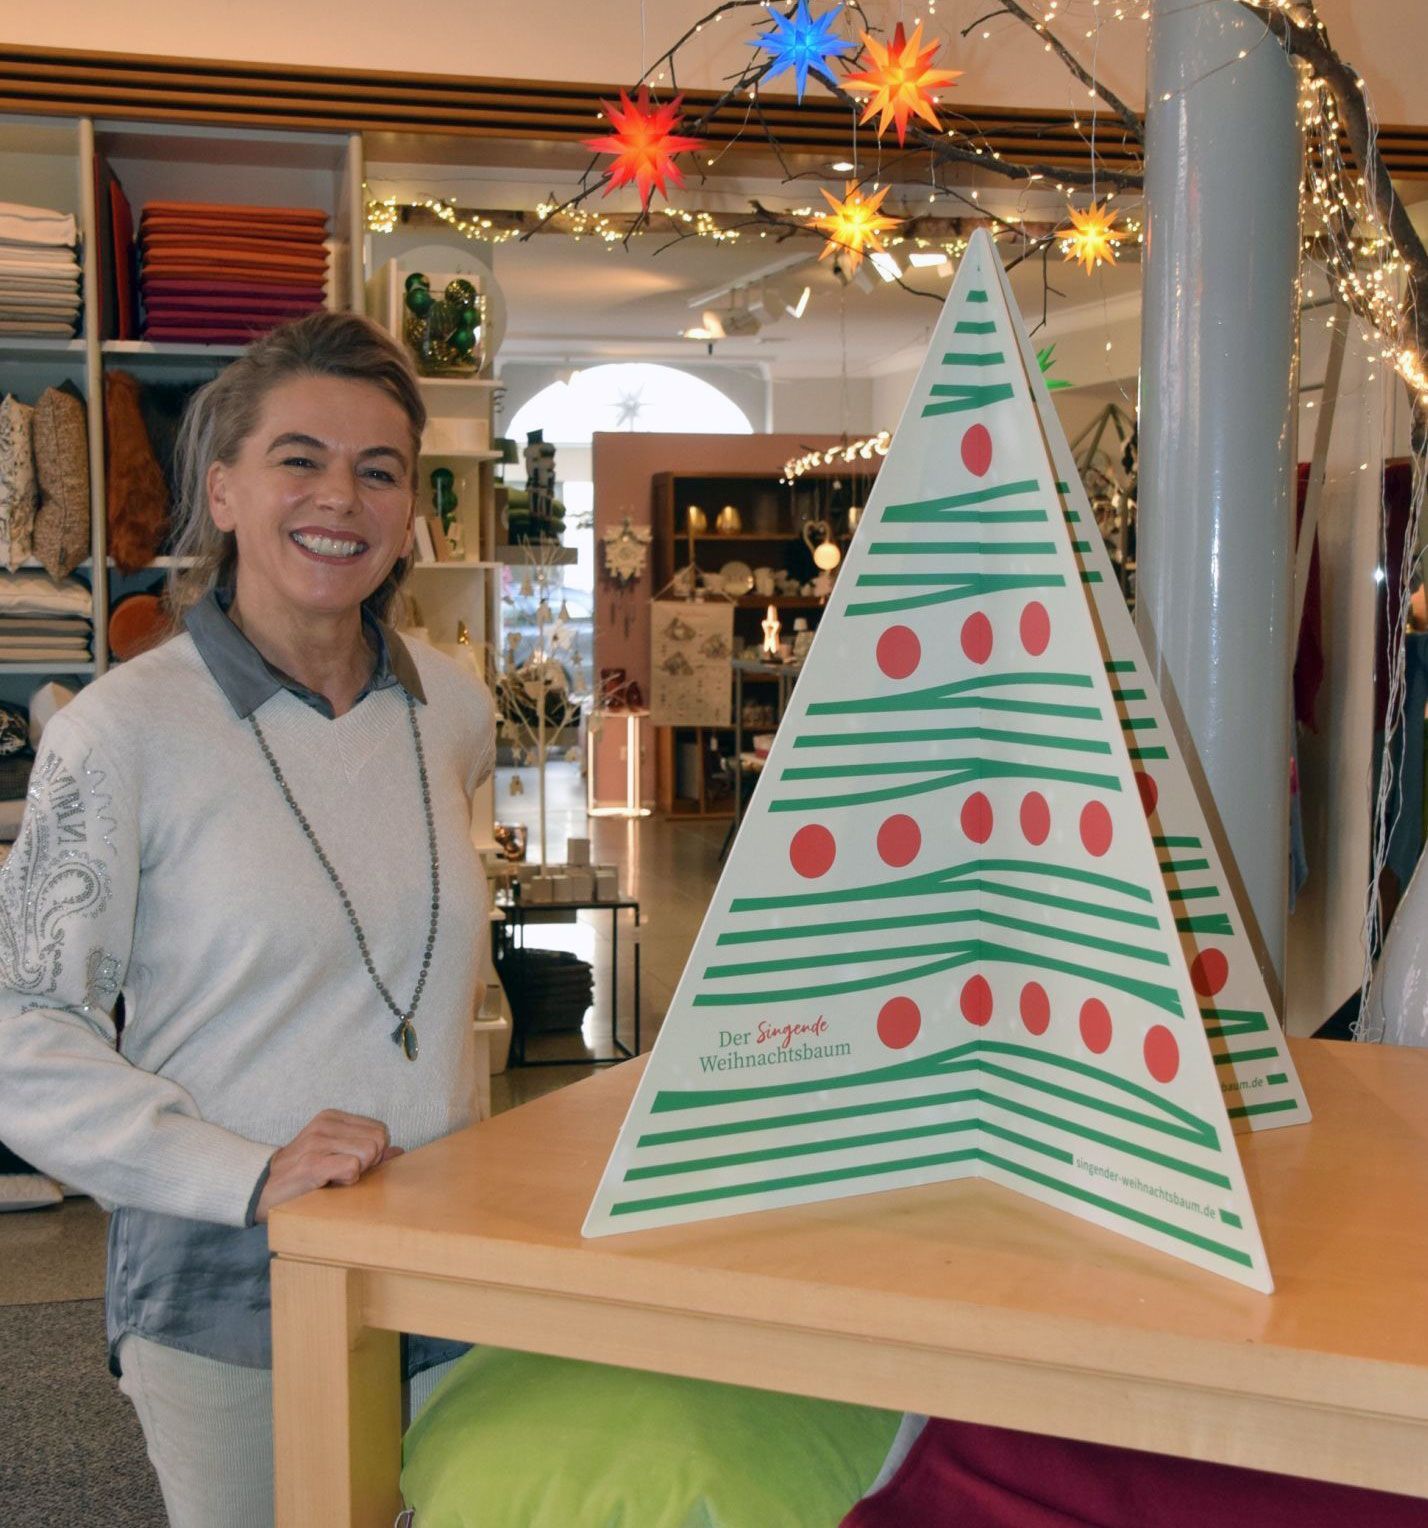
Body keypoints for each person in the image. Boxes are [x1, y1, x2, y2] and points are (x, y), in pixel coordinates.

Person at [0, 311, 496, 1525]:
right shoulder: (118, 734)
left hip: (452, 1253)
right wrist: (247, 1171)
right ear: (222, 489)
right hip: (229, 1276)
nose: (342, 496)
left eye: (380, 469)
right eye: (300, 458)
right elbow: (23, 1033)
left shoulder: (454, 709)